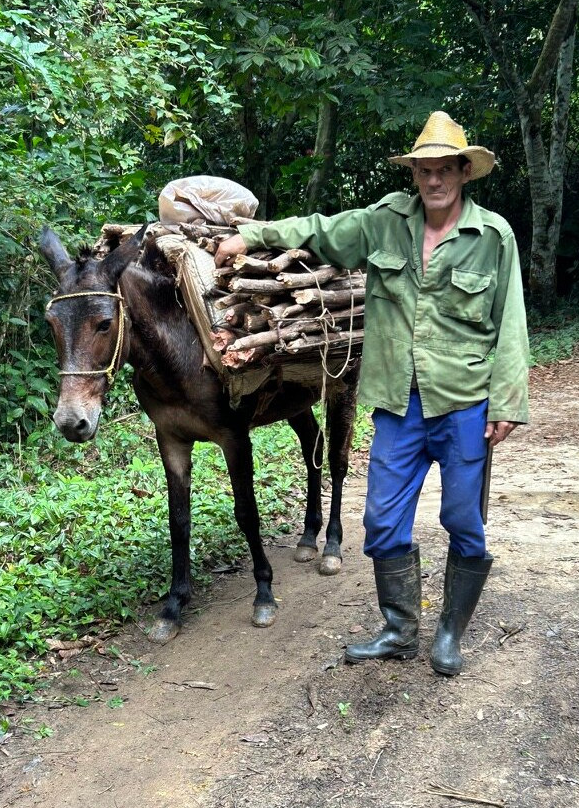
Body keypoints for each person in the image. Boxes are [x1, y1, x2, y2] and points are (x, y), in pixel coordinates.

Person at [214, 111, 529, 675]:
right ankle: (399, 629)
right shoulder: (384, 223)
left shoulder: (493, 236)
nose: (434, 180)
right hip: (397, 402)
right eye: (424, 170)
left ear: (463, 171)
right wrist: (252, 233)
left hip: (464, 402)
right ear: (414, 174)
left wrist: (507, 402)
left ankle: (449, 633)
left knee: (464, 522)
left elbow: (511, 324)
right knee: (382, 522)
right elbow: (317, 228)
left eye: (444, 170)